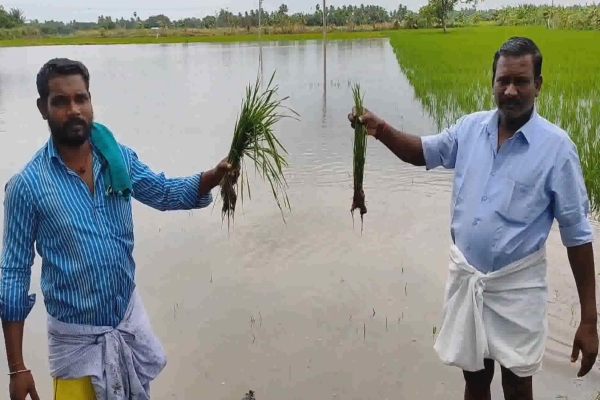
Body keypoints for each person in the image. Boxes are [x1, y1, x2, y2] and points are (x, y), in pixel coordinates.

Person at [349, 37, 598, 400]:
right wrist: (380, 129)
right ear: (492, 81)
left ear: (538, 86)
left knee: (516, 385)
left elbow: (577, 236)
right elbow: (422, 152)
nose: (511, 90)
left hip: (518, 289)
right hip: (468, 280)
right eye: (503, 81)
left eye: (522, 81)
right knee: (475, 379)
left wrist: (589, 320)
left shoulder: (557, 149)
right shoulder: (470, 128)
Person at [0, 58, 233, 400]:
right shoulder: (28, 186)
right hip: (76, 345)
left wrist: (212, 177)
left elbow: (164, 192)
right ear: (42, 108)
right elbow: (13, 276)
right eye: (61, 102)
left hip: (127, 327)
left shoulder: (116, 160)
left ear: (91, 100)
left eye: (81, 98)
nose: (74, 109)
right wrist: (18, 367)